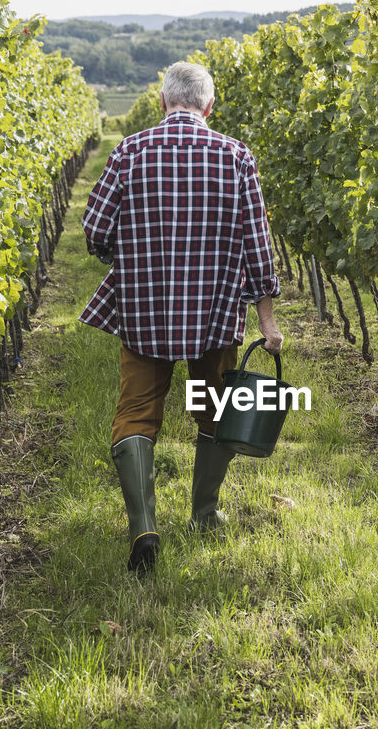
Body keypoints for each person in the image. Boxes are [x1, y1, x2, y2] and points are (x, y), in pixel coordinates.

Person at [79, 61, 282, 575]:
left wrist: (128, 258)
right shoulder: (236, 156)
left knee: (137, 411)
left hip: (144, 311)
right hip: (213, 312)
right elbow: (257, 244)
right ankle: (204, 515)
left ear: (164, 101)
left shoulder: (130, 150)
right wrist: (267, 318)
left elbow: (96, 230)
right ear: (209, 107)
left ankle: (144, 527)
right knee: (212, 406)